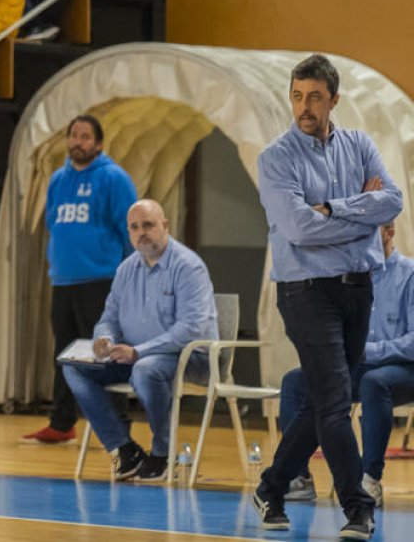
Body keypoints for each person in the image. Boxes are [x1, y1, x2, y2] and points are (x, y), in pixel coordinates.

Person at [253, 54, 403, 540]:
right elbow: (296, 227)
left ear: (334, 100)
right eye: (297, 96)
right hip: (305, 294)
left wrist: (333, 210)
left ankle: (271, 486)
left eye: (314, 96)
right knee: (337, 403)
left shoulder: (359, 145)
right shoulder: (276, 158)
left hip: (358, 289)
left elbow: (393, 200)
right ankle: (357, 507)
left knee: (325, 401)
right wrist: (360, 218)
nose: (304, 106)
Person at [63, 199, 218, 481]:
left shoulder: (188, 266)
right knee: (73, 367)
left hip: (190, 357)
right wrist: (104, 339)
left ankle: (162, 453)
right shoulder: (126, 269)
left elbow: (191, 328)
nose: (141, 232)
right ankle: (124, 448)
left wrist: (139, 351)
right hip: (134, 356)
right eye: (134, 227)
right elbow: (109, 317)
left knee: (146, 369)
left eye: (148, 225)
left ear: (165, 226)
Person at [278, 220, 414, 505]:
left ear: (389, 233)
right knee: (295, 381)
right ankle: (297, 476)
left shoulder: (410, 275)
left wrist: (370, 352)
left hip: (404, 368)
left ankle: (369, 479)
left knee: (373, 382)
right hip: (357, 365)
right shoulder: (348, 278)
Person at [23, 114, 137, 445]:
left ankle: (118, 427)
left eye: (86, 137)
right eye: (73, 135)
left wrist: (129, 279)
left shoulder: (113, 178)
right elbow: (53, 226)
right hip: (63, 280)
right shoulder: (58, 179)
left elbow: (129, 229)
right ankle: (61, 424)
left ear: (99, 144)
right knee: (66, 353)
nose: (78, 142)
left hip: (101, 280)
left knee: (104, 352)